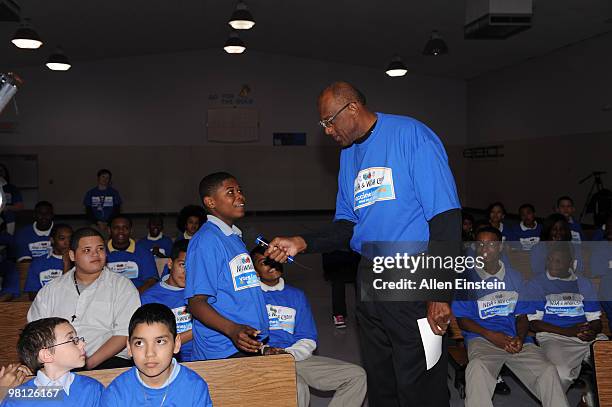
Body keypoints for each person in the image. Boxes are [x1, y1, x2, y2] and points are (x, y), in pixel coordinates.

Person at [264, 82, 461, 407]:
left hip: (413, 274)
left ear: (352, 107)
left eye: (329, 121)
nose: (327, 131)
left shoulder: (411, 136)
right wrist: (301, 242)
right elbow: (347, 225)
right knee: (381, 377)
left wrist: (439, 293)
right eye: (323, 124)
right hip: (371, 275)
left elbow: (446, 218)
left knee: (421, 380)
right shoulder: (349, 155)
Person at [452, 227, 569, 407]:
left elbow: (522, 316)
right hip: (483, 338)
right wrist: (493, 336)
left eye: (491, 244)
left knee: (548, 371)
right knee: (476, 369)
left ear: (500, 247)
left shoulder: (515, 277)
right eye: (480, 245)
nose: (484, 249)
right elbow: (463, 321)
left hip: (516, 338)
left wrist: (520, 338)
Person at [252, 245, 367, 407]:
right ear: (255, 271)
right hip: (266, 361)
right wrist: (264, 350)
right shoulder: (250, 297)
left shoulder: (296, 295)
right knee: (298, 386)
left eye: (275, 258)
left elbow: (307, 337)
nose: (272, 264)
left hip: (295, 357)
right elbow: (246, 337)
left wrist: (288, 354)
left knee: (357, 375)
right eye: (264, 262)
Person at [28, 227, 140, 370]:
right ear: (72, 255)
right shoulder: (51, 290)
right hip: (59, 363)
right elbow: (36, 332)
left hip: (107, 361)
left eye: (100, 249)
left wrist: (87, 364)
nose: (96, 254)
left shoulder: (122, 286)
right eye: (87, 250)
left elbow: (124, 333)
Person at [185, 172, 269, 360]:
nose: (240, 196)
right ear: (210, 202)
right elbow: (196, 303)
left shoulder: (232, 237)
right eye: (230, 192)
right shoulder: (207, 240)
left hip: (246, 341)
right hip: (224, 349)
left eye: (240, 190)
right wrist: (232, 330)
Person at [100, 304, 213, 407]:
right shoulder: (116, 392)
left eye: (160, 342)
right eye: (139, 343)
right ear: (129, 348)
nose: (150, 353)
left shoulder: (194, 388)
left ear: (176, 344)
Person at [527, 242, 603, 393]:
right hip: (554, 336)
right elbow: (534, 324)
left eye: (558, 261)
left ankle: (592, 398)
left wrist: (592, 332)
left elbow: (595, 320)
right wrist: (568, 332)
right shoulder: (537, 284)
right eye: (549, 260)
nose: (552, 264)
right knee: (560, 374)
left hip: (584, 335)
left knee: (607, 361)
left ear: (570, 263)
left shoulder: (583, 283)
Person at [1, 318, 103, 406]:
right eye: (72, 339)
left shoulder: (92, 389)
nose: (83, 343)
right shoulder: (18, 398)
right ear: (47, 355)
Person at [140, 239, 193, 362]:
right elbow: (155, 341)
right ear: (170, 264)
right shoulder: (150, 298)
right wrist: (197, 330)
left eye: (193, 266)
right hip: (169, 360)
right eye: (182, 265)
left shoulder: (201, 293)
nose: (187, 272)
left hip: (204, 355)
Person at [106, 215, 158, 293]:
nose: (121, 231)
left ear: (131, 230)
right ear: (109, 230)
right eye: (116, 228)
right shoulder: (101, 252)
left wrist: (133, 296)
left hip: (138, 296)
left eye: (125, 228)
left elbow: (151, 281)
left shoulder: (143, 252)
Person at [25, 224, 73, 300]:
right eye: (62, 238)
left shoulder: (80, 261)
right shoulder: (39, 262)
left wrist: (67, 263)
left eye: (70, 239)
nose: (67, 243)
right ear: (52, 240)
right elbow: (32, 294)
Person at [321, 250, 360, 328]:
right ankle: (339, 314)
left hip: (355, 249)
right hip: (334, 250)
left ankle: (363, 313)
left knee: (360, 278)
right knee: (337, 279)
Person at [83, 169, 122, 235]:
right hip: (95, 225)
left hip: (110, 224)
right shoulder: (90, 193)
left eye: (107, 178)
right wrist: (97, 222)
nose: (105, 179)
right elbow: (88, 211)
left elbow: (116, 210)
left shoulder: (114, 193)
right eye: (103, 177)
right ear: (98, 178)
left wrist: (107, 222)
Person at [0, 164, 24, 235]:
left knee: (9, 214)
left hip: (7, 217)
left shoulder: (12, 188)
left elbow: (20, 207)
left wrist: (6, 208)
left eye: (1, 171)